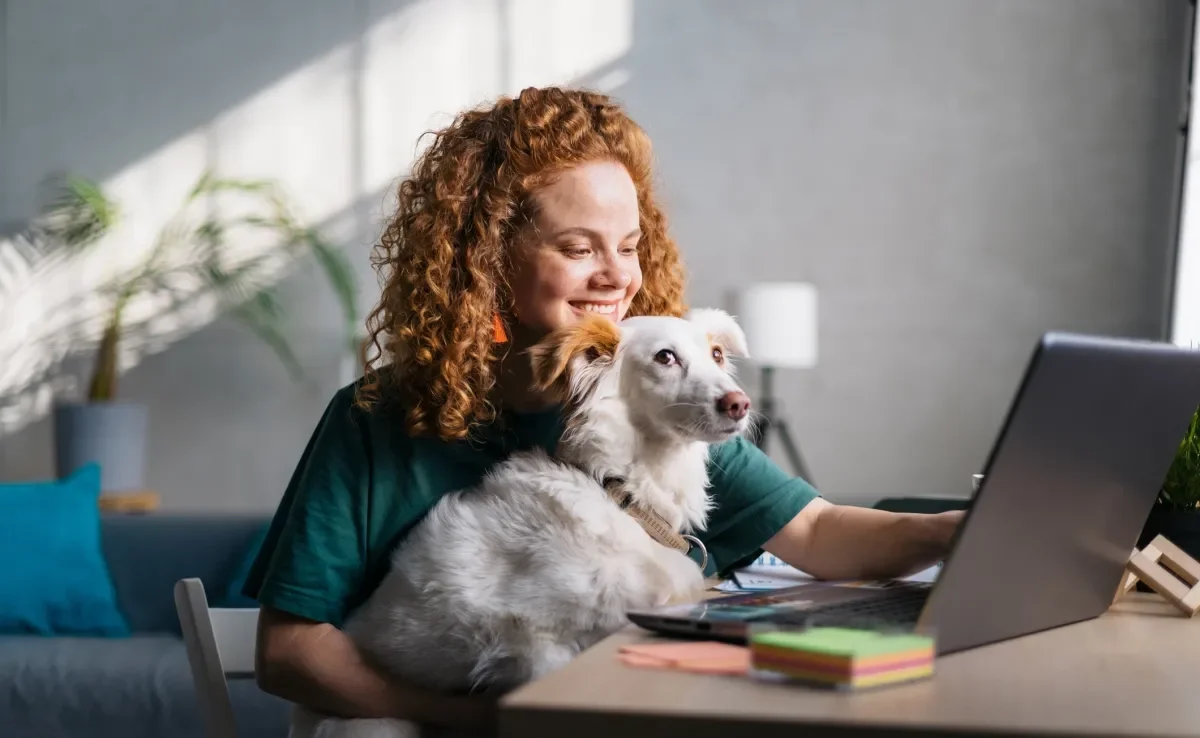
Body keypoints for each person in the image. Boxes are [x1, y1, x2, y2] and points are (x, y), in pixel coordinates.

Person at [242, 86, 963, 733]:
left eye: (628, 244)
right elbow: (288, 651)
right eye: (578, 247)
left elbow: (817, 530)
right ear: (487, 260)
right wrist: (474, 720)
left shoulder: (651, 401)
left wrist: (958, 531)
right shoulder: (374, 416)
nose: (617, 275)